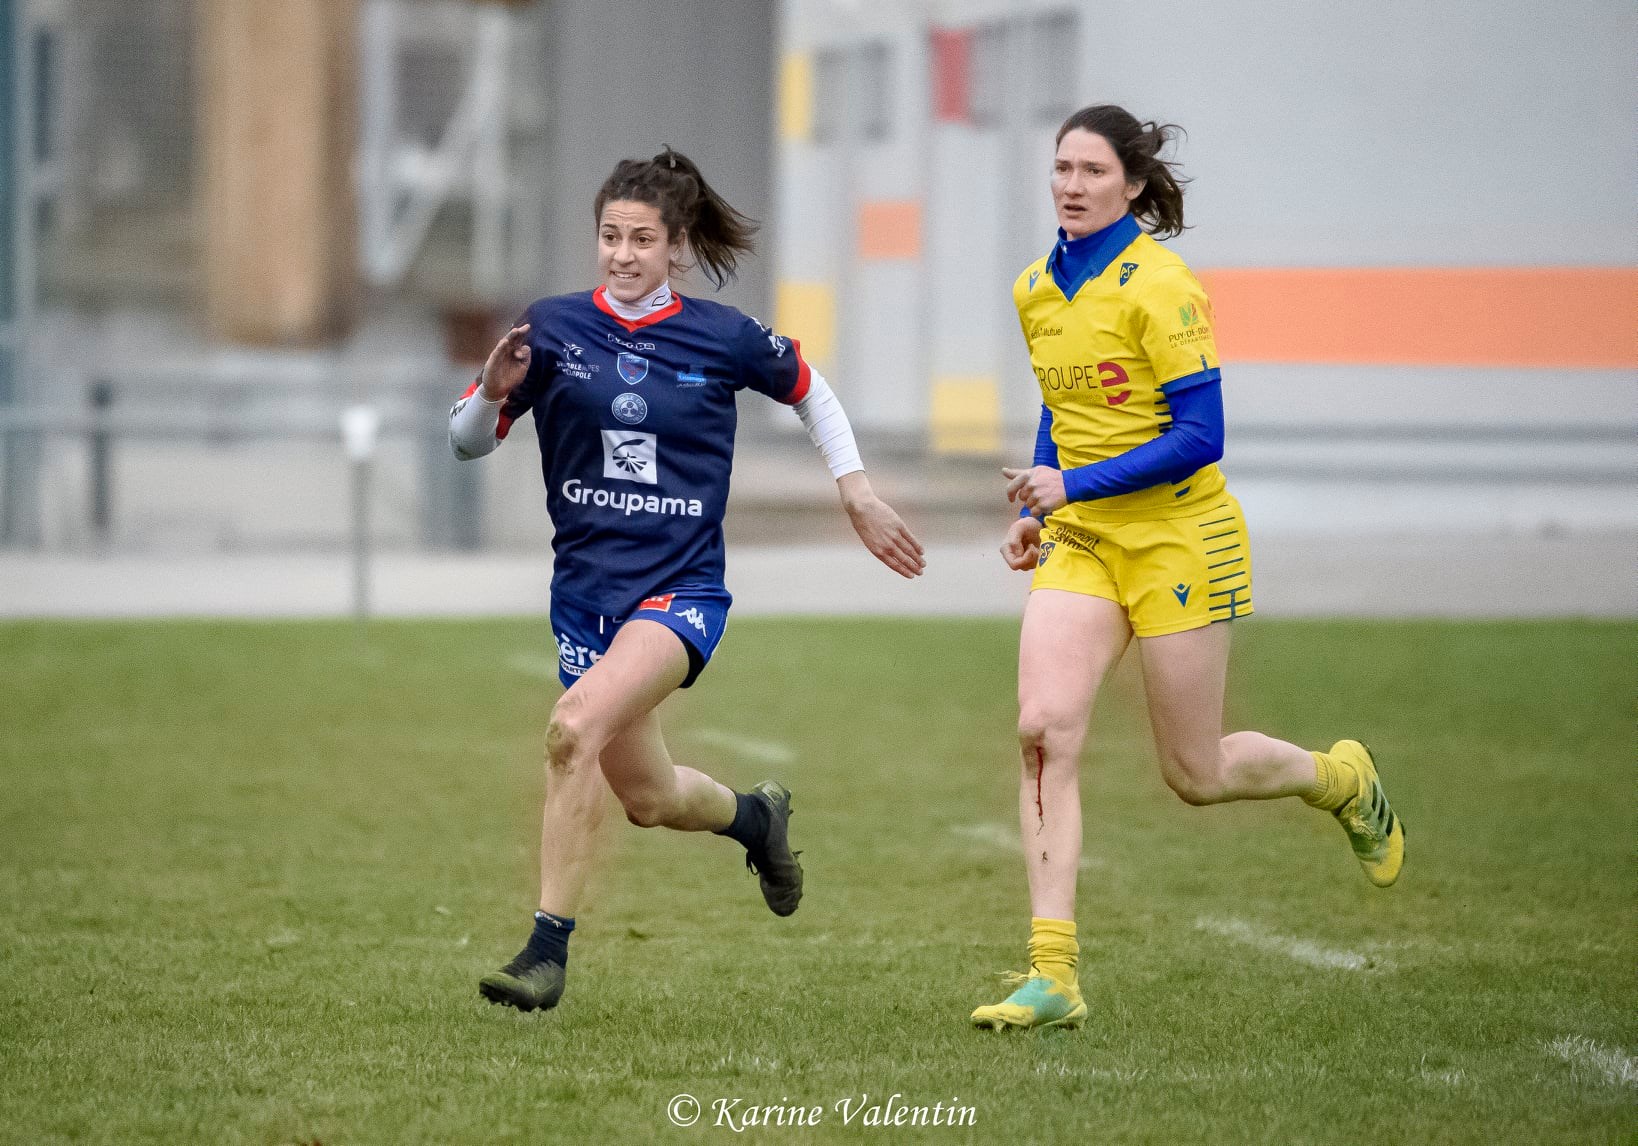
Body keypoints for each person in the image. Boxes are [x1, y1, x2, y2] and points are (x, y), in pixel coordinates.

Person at [451, 147, 925, 1013]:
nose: (623, 254)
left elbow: (810, 389)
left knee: (571, 729)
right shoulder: (550, 329)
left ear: (675, 247)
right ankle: (755, 818)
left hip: (680, 593)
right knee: (650, 797)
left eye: (642, 239)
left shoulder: (722, 336)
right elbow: (465, 442)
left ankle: (545, 953)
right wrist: (488, 392)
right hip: (584, 597)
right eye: (610, 236)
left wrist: (855, 489)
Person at [970, 106, 1404, 1032]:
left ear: (1132, 185)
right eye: (1062, 167)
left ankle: (1339, 780)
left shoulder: (1163, 288)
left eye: (1092, 170)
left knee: (1196, 772)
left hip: (1178, 536)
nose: (1072, 185)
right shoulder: (1034, 288)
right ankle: (1053, 974)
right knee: (1043, 730)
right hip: (1085, 539)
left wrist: (1067, 483)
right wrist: (1037, 511)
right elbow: (1060, 410)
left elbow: (1202, 437)